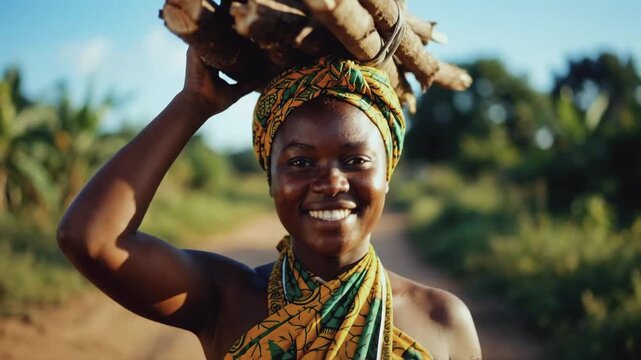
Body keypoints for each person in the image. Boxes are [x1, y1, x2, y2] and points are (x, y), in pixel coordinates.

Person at [57, 47, 482, 359]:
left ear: (386, 175)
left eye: (355, 160)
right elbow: (90, 238)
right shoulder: (227, 299)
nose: (331, 181)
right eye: (300, 161)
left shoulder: (443, 321)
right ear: (271, 179)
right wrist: (193, 105)